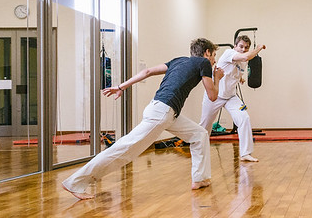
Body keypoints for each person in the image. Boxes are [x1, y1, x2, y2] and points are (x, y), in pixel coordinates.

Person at [62, 38, 224, 200]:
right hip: (162, 113)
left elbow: (147, 72)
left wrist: (120, 87)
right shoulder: (203, 62)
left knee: (199, 134)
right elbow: (212, 96)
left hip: (164, 111)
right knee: (123, 149)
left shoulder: (179, 60)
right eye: (214, 56)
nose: (214, 60)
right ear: (207, 52)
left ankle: (200, 178)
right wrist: (217, 78)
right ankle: (75, 182)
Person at [199, 35, 265, 163]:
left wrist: (240, 78)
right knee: (205, 126)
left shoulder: (244, 62)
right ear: (235, 46)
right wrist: (258, 48)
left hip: (230, 97)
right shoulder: (229, 53)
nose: (243, 49)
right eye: (241, 46)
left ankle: (245, 153)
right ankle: (198, 151)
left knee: (244, 118)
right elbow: (246, 57)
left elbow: (234, 71)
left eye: (246, 47)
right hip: (215, 95)